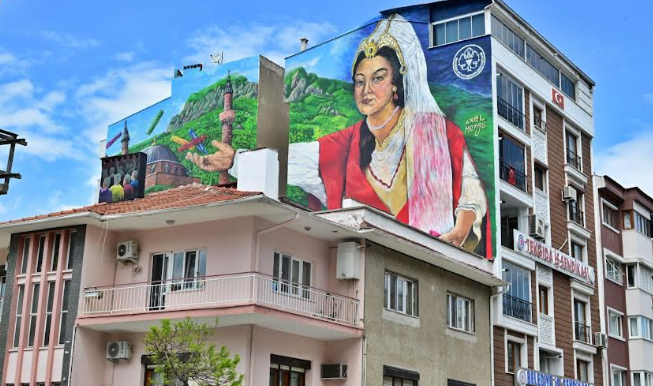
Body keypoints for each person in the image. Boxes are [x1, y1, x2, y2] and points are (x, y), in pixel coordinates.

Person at [186, 15, 488, 250]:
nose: (366, 90)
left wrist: (460, 230)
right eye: (359, 81)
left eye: (378, 78)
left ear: (396, 83)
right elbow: (287, 160)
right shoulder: (343, 144)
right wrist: (235, 160)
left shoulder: (436, 134)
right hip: (366, 257)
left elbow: (470, 190)